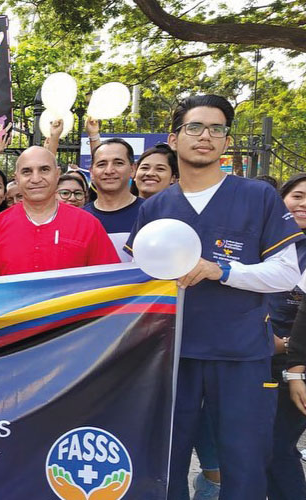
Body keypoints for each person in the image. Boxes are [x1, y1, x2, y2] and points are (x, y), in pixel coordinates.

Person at [124, 95, 304, 500]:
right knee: (164, 461)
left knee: (244, 463)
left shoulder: (258, 196)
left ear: (226, 142)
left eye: (217, 129)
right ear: (173, 138)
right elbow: (138, 279)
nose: (205, 136)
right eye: (195, 127)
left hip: (240, 353)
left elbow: (286, 273)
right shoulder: (156, 207)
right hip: (172, 355)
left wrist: (221, 270)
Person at [0, 146, 119, 278]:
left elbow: (110, 280)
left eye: (44, 170)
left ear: (57, 174)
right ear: (17, 178)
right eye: (27, 171)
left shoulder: (87, 224)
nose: (36, 179)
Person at [266, 173, 306, 500]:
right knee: (254, 447)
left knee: (277, 446)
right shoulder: (263, 242)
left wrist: (295, 357)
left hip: (295, 364)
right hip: (255, 355)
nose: (304, 204)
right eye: (298, 196)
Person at [84, 138, 143, 262]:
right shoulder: (80, 219)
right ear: (92, 173)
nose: (109, 171)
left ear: (133, 169)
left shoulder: (151, 214)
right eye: (101, 164)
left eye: (118, 163)